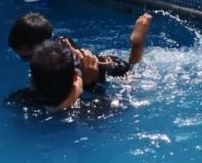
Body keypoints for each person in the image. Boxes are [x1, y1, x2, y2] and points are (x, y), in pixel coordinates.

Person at [9, 12, 153, 108]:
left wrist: (88, 79)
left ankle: (137, 45)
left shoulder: (65, 54)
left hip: (103, 67)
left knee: (131, 77)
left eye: (25, 57)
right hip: (91, 67)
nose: (26, 60)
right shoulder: (56, 49)